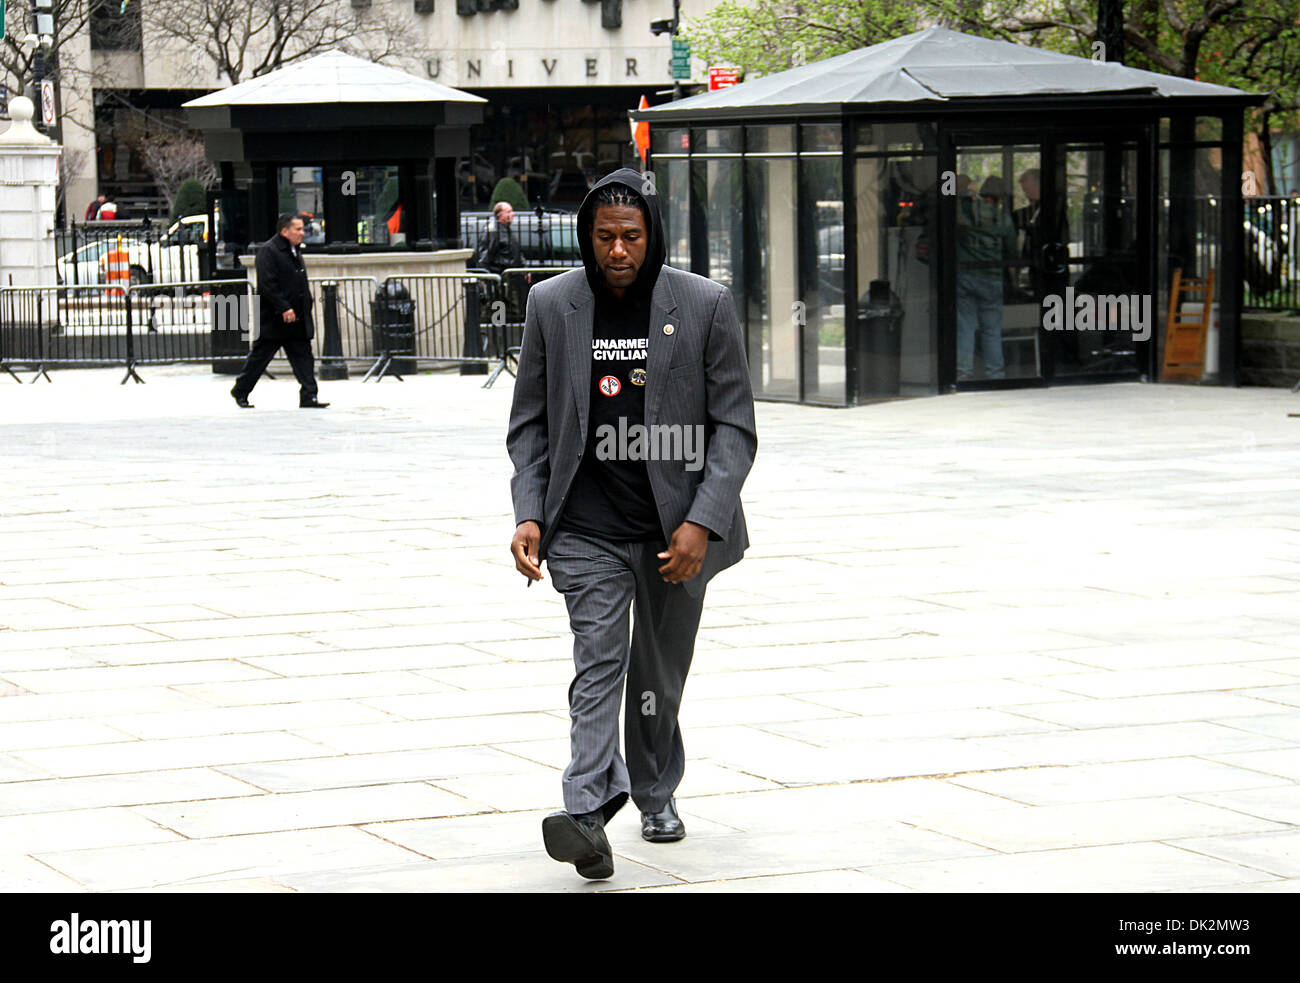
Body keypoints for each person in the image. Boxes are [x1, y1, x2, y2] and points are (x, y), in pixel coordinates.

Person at [507, 169, 757, 880]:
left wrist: (702, 521)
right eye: (605, 237)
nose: (618, 250)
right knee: (599, 662)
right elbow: (529, 422)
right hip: (585, 525)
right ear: (587, 239)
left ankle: (654, 788)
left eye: (631, 236)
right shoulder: (552, 304)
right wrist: (529, 510)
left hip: (674, 528)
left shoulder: (703, 304)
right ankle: (587, 810)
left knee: (657, 672)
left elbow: (734, 427)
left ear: (652, 237)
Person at [230, 213, 329, 409]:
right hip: (275, 318)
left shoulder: (294, 251)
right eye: (298, 229)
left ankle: (309, 395)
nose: (302, 233)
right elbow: (268, 284)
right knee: (260, 357)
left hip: (297, 317)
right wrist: (284, 307)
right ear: (285, 231)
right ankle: (241, 390)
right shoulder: (269, 251)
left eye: (302, 229)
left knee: (303, 357)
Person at [956, 175, 1018, 380]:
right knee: (991, 330)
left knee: (965, 327)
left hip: (966, 275)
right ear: (1000, 198)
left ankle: (963, 373)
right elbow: (1012, 251)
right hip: (992, 277)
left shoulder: (966, 211)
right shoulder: (1003, 218)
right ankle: (995, 374)